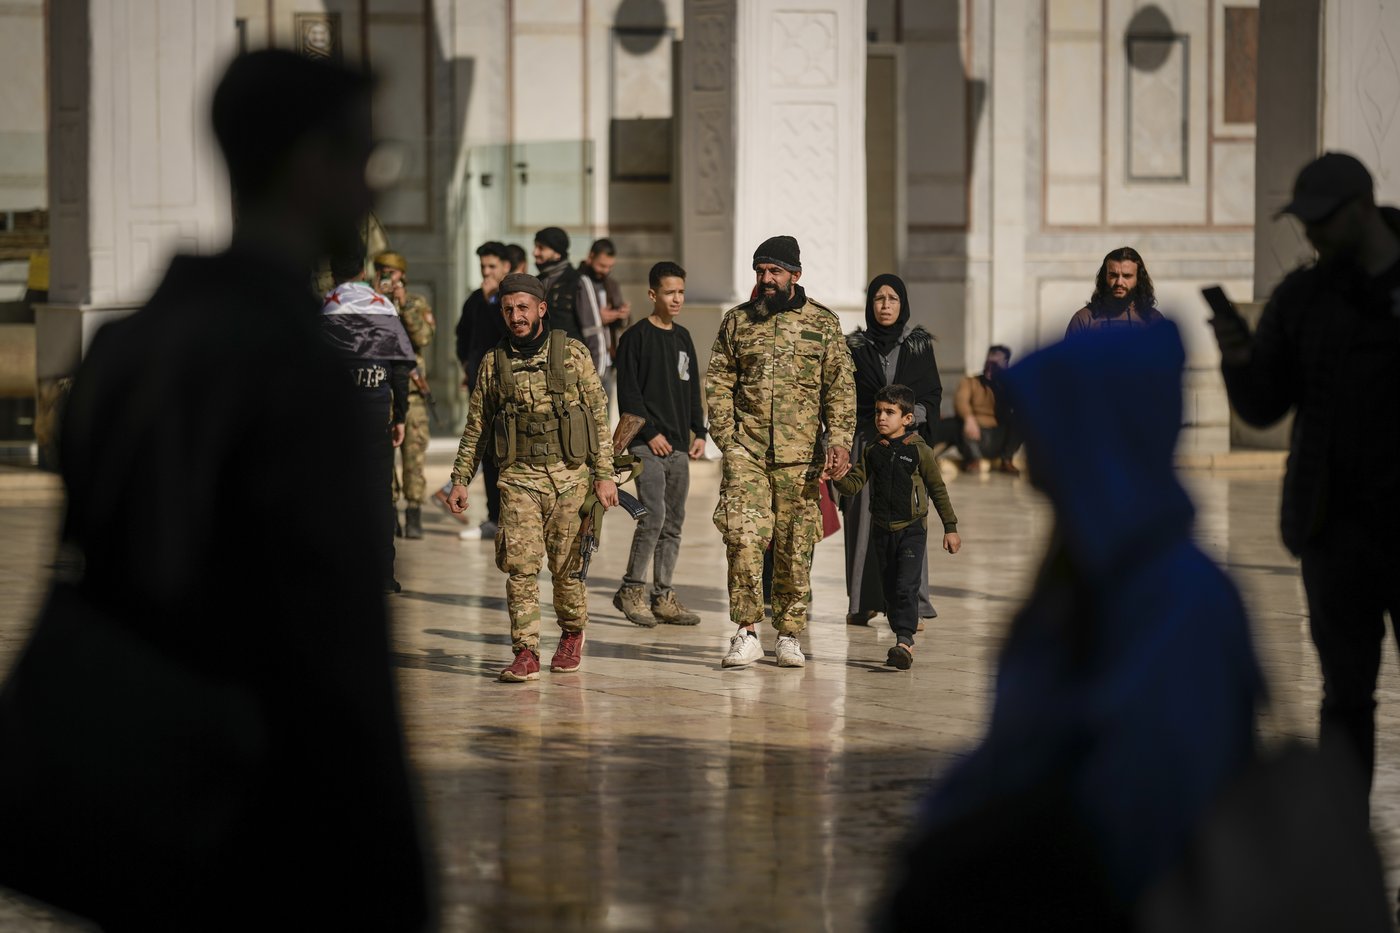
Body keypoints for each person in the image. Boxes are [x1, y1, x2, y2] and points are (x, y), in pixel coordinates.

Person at [0, 50, 430, 930]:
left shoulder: (124, 351)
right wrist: (395, 876)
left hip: (142, 809)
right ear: (312, 164)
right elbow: (333, 647)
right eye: (366, 162)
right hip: (267, 828)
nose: (372, 192)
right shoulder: (301, 371)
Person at [879, 321, 1261, 929]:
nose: (1034, 441)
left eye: (1052, 421)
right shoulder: (1084, 565)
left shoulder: (1177, 600)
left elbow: (1144, 808)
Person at [1210, 151, 1400, 805]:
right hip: (1336, 530)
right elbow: (1266, 403)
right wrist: (1237, 356)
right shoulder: (1305, 295)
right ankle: (1344, 859)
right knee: (1345, 698)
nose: (1311, 235)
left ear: (1361, 207)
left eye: (1321, 220)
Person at [446, 273, 617, 682]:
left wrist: (605, 475)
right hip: (519, 479)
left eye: (523, 307)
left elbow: (598, 416)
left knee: (566, 569)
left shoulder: (572, 354)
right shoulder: (494, 362)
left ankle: (572, 634)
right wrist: (459, 479)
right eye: (508, 309)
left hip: (570, 479)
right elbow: (477, 427)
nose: (515, 316)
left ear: (541, 308)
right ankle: (526, 651)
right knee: (520, 567)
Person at [706, 235, 856, 669]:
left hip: (801, 460)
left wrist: (840, 440)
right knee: (743, 540)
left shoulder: (823, 324)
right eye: (760, 271)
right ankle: (747, 631)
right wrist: (728, 442)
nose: (766, 279)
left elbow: (840, 390)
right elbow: (718, 384)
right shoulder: (737, 322)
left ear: (795, 274)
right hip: (747, 454)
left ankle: (789, 634)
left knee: (795, 546)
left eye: (774, 271)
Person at [829, 384, 960, 669]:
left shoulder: (920, 451)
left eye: (890, 412)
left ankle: (904, 641)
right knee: (889, 588)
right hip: (882, 530)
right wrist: (838, 478)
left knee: (906, 586)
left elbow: (938, 490)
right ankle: (901, 635)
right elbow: (854, 485)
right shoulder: (873, 450)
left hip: (912, 530)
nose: (881, 418)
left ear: (907, 418)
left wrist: (950, 527)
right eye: (878, 412)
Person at [843, 273, 942, 627]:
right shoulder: (854, 346)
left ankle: (910, 604)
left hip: (907, 446)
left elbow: (931, 393)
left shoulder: (918, 345)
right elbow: (844, 396)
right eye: (879, 299)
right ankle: (863, 601)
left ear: (903, 304)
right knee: (862, 519)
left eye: (893, 299)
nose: (885, 306)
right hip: (867, 444)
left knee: (909, 518)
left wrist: (909, 417)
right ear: (871, 305)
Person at [612, 261, 706, 627]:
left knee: (674, 522)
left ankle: (663, 596)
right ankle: (631, 590)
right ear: (653, 295)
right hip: (646, 446)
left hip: (680, 446)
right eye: (670, 292)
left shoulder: (682, 337)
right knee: (652, 517)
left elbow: (692, 389)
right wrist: (650, 433)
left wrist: (701, 431)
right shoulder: (635, 338)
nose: (677, 298)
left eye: (681, 291)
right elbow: (629, 395)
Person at [322, 244, 416, 590]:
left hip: (336, 415)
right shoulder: (384, 307)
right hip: (376, 411)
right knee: (379, 493)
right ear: (363, 270)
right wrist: (401, 415)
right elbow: (401, 369)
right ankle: (382, 573)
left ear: (332, 273)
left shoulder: (324, 307)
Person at [445, 240, 514, 539]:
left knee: (508, 454)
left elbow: (507, 334)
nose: (486, 272)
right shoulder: (475, 299)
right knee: (485, 451)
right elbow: (463, 337)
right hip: (480, 389)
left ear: (505, 267)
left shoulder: (509, 302)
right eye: (483, 267)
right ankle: (493, 518)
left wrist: (493, 302)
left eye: (492, 267)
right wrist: (466, 367)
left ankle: (514, 517)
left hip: (509, 391)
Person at [374, 250, 436, 539]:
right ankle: (389, 511)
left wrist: (402, 303)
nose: (387, 276)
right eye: (381, 270)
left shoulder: (415, 303)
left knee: (414, 456)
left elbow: (423, 337)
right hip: (382, 388)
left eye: (392, 272)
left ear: (403, 276)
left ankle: (414, 512)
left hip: (411, 392)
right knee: (384, 458)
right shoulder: (370, 302)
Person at [534, 226, 607, 378]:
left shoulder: (578, 281)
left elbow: (593, 332)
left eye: (541, 248)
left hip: (573, 374)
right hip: (542, 376)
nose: (535, 253)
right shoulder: (537, 283)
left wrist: (596, 378)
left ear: (557, 253)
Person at [937, 344, 1021, 475]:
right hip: (972, 434)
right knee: (953, 423)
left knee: (1021, 421)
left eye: (995, 364)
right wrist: (969, 418)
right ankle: (973, 460)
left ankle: (1006, 460)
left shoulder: (1009, 385)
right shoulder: (970, 382)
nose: (990, 367)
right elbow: (960, 401)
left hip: (998, 436)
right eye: (988, 363)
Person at [1066, 246, 1164, 335]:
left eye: (1127, 276)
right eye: (1113, 275)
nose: (1119, 282)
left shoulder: (1154, 321)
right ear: (1104, 277)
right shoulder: (1084, 319)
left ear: (1138, 279)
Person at [578, 238, 631, 396]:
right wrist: (597, 318)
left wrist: (622, 315)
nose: (606, 271)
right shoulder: (579, 282)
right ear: (590, 257)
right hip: (587, 359)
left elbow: (625, 322)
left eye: (610, 267)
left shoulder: (611, 284)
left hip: (609, 359)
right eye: (602, 265)